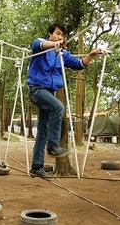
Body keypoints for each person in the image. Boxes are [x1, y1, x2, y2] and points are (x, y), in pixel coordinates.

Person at [27, 23, 104, 178]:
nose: (60, 37)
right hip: (37, 90)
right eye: (57, 33)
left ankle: (36, 167)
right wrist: (53, 44)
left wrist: (92, 54)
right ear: (50, 34)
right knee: (58, 107)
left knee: (43, 130)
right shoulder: (40, 45)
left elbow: (80, 64)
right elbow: (41, 44)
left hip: (49, 93)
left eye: (62, 35)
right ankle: (53, 146)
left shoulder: (61, 54)